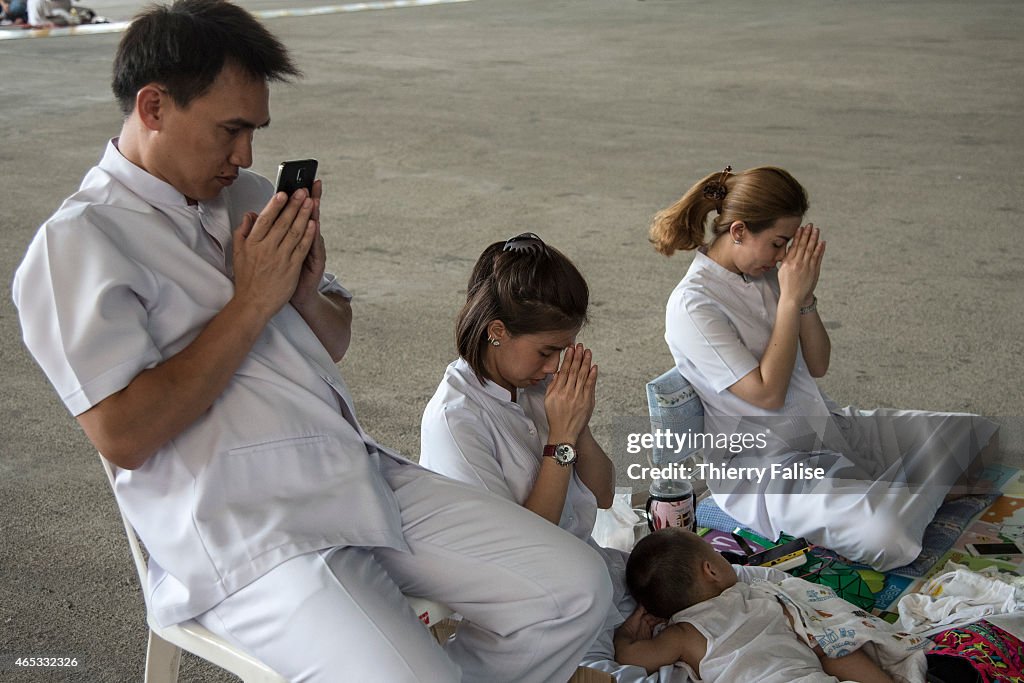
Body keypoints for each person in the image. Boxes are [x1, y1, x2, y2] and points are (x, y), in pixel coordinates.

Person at [12, 2, 612, 681]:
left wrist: (301, 292)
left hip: (350, 473)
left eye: (255, 132)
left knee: (576, 587)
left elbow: (334, 337)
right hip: (247, 527)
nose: (244, 155)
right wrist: (251, 301)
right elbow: (123, 433)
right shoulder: (79, 246)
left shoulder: (246, 196)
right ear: (153, 107)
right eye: (230, 130)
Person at [651, 165, 999, 572]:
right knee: (889, 536)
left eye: (789, 245)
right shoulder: (694, 305)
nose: (783, 256)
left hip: (825, 428)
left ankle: (901, 490)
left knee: (976, 434)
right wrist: (788, 299)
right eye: (778, 243)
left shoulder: (767, 275)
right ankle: (913, 491)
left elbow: (819, 363)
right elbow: (766, 393)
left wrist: (804, 296)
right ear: (740, 231)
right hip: (766, 468)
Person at [420, 234, 671, 682]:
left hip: (589, 573)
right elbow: (523, 552)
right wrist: (560, 439)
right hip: (531, 604)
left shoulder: (537, 387)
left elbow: (603, 492)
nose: (555, 366)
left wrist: (578, 422)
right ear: (497, 331)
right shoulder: (457, 421)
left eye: (564, 349)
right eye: (546, 350)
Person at [614, 528, 930, 683]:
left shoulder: (682, 635)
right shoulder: (758, 595)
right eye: (718, 555)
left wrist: (629, 630)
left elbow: (631, 656)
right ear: (710, 570)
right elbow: (826, 644)